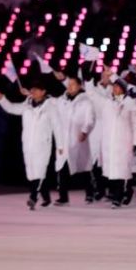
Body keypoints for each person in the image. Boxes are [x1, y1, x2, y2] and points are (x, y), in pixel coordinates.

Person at [0, 81, 57, 210]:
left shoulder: (51, 106)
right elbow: (12, 108)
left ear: (43, 91)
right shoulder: (27, 106)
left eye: (36, 90)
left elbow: (58, 127)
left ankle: (33, 197)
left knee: (40, 169)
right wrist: (2, 100)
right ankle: (46, 196)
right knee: (33, 172)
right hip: (28, 144)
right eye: (32, 89)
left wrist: (61, 145)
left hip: (43, 145)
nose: (33, 92)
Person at [85, 70, 136, 209]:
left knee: (122, 170)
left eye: (118, 87)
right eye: (114, 87)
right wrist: (88, 80)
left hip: (123, 142)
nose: (115, 89)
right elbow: (91, 94)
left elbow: (135, 124)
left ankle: (119, 196)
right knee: (111, 171)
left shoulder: (130, 103)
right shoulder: (106, 103)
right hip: (109, 143)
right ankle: (120, 194)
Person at [52, 74, 96, 205]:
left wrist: (84, 131)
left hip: (78, 139)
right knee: (62, 169)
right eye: (68, 84)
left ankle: (90, 193)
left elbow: (90, 119)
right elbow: (49, 102)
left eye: (73, 84)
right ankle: (63, 197)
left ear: (79, 86)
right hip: (63, 141)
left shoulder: (86, 101)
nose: (70, 87)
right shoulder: (61, 100)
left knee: (83, 169)